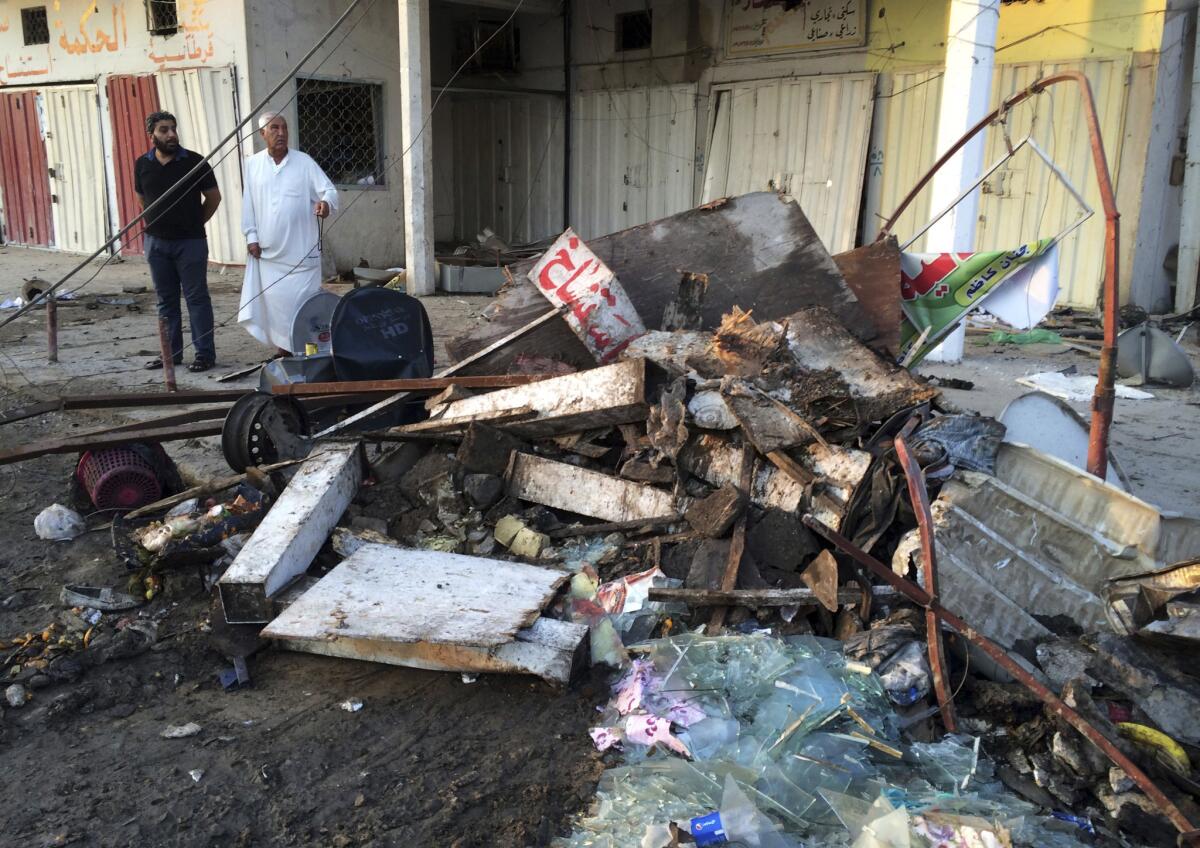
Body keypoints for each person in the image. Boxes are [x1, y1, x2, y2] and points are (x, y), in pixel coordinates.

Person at [238, 112, 339, 354]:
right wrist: (251, 236)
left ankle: (306, 349)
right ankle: (284, 349)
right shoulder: (253, 165)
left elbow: (329, 191)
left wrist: (325, 204)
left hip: (302, 254)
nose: (281, 133)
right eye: (274, 128)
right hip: (269, 255)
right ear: (263, 134)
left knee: (303, 303)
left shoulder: (304, 162)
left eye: (284, 128)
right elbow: (248, 205)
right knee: (274, 305)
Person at [135, 111, 222, 372]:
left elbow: (214, 198)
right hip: (156, 243)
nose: (171, 134)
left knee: (196, 298)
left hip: (190, 243)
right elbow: (142, 199)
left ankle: (204, 355)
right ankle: (170, 354)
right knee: (166, 300)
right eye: (164, 130)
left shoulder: (195, 162)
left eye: (173, 128)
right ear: (152, 136)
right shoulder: (142, 164)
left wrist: (194, 224)